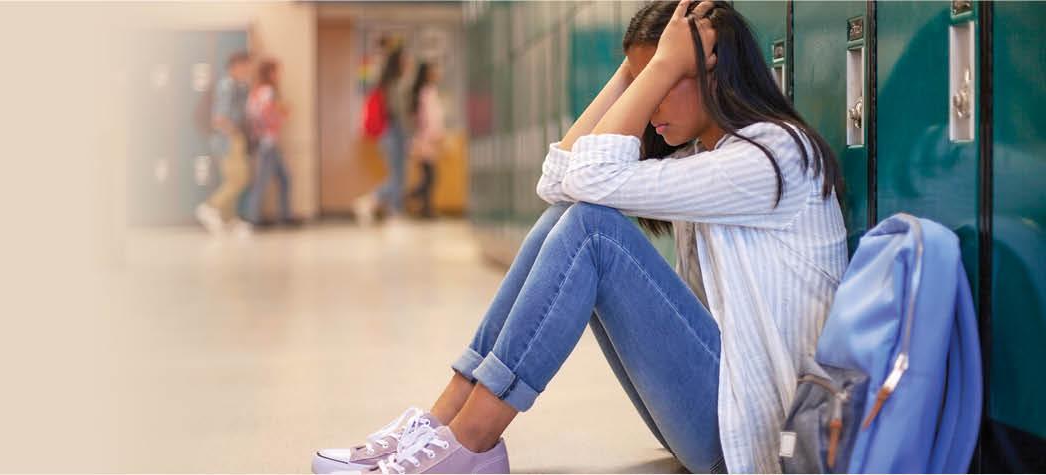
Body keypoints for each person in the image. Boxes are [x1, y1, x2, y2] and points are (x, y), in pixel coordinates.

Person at [313, 1, 847, 473]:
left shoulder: (772, 156)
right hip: (719, 414)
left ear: (710, 69)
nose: (649, 105)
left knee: (594, 229)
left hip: (756, 436)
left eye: (659, 85)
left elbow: (588, 183)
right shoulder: (703, 156)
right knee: (570, 217)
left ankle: (470, 444)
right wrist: (639, 67)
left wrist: (659, 64)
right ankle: (443, 424)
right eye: (641, 87)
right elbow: (558, 182)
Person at [195, 52, 254, 237]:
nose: (248, 70)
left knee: (234, 179)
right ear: (235, 66)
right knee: (239, 179)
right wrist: (234, 133)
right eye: (246, 66)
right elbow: (219, 118)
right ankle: (210, 207)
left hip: (234, 138)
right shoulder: (227, 86)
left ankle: (229, 219)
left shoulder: (239, 86)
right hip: (229, 139)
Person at [354, 47, 413, 226]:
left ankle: (395, 209)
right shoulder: (395, 85)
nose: (408, 64)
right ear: (397, 63)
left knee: (399, 176)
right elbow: (398, 112)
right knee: (398, 176)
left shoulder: (387, 84)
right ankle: (373, 201)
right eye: (405, 61)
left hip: (390, 133)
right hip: (394, 133)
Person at [244, 59, 297, 227]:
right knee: (263, 181)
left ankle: (285, 216)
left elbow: (253, 114)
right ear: (270, 73)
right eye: (277, 72)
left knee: (284, 178)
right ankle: (253, 218)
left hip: (264, 141)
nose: (280, 76)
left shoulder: (255, 92)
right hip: (267, 142)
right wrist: (283, 114)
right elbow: (267, 113)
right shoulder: (268, 91)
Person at [406, 62, 444, 218]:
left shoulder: (425, 92)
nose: (436, 74)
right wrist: (435, 135)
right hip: (427, 140)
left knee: (429, 177)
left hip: (427, 139)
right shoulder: (426, 93)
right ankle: (412, 198)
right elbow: (429, 118)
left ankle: (425, 209)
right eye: (432, 72)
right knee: (430, 177)